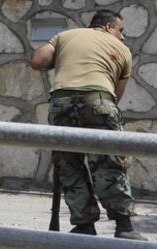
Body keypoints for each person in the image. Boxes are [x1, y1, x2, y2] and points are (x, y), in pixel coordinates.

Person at [31, 10, 147, 240]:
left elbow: (38, 61)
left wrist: (61, 49)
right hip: (99, 100)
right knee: (109, 161)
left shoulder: (66, 36)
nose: (123, 37)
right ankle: (123, 226)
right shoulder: (123, 51)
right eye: (120, 30)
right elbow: (115, 96)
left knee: (68, 164)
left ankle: (84, 225)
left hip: (60, 102)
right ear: (106, 27)